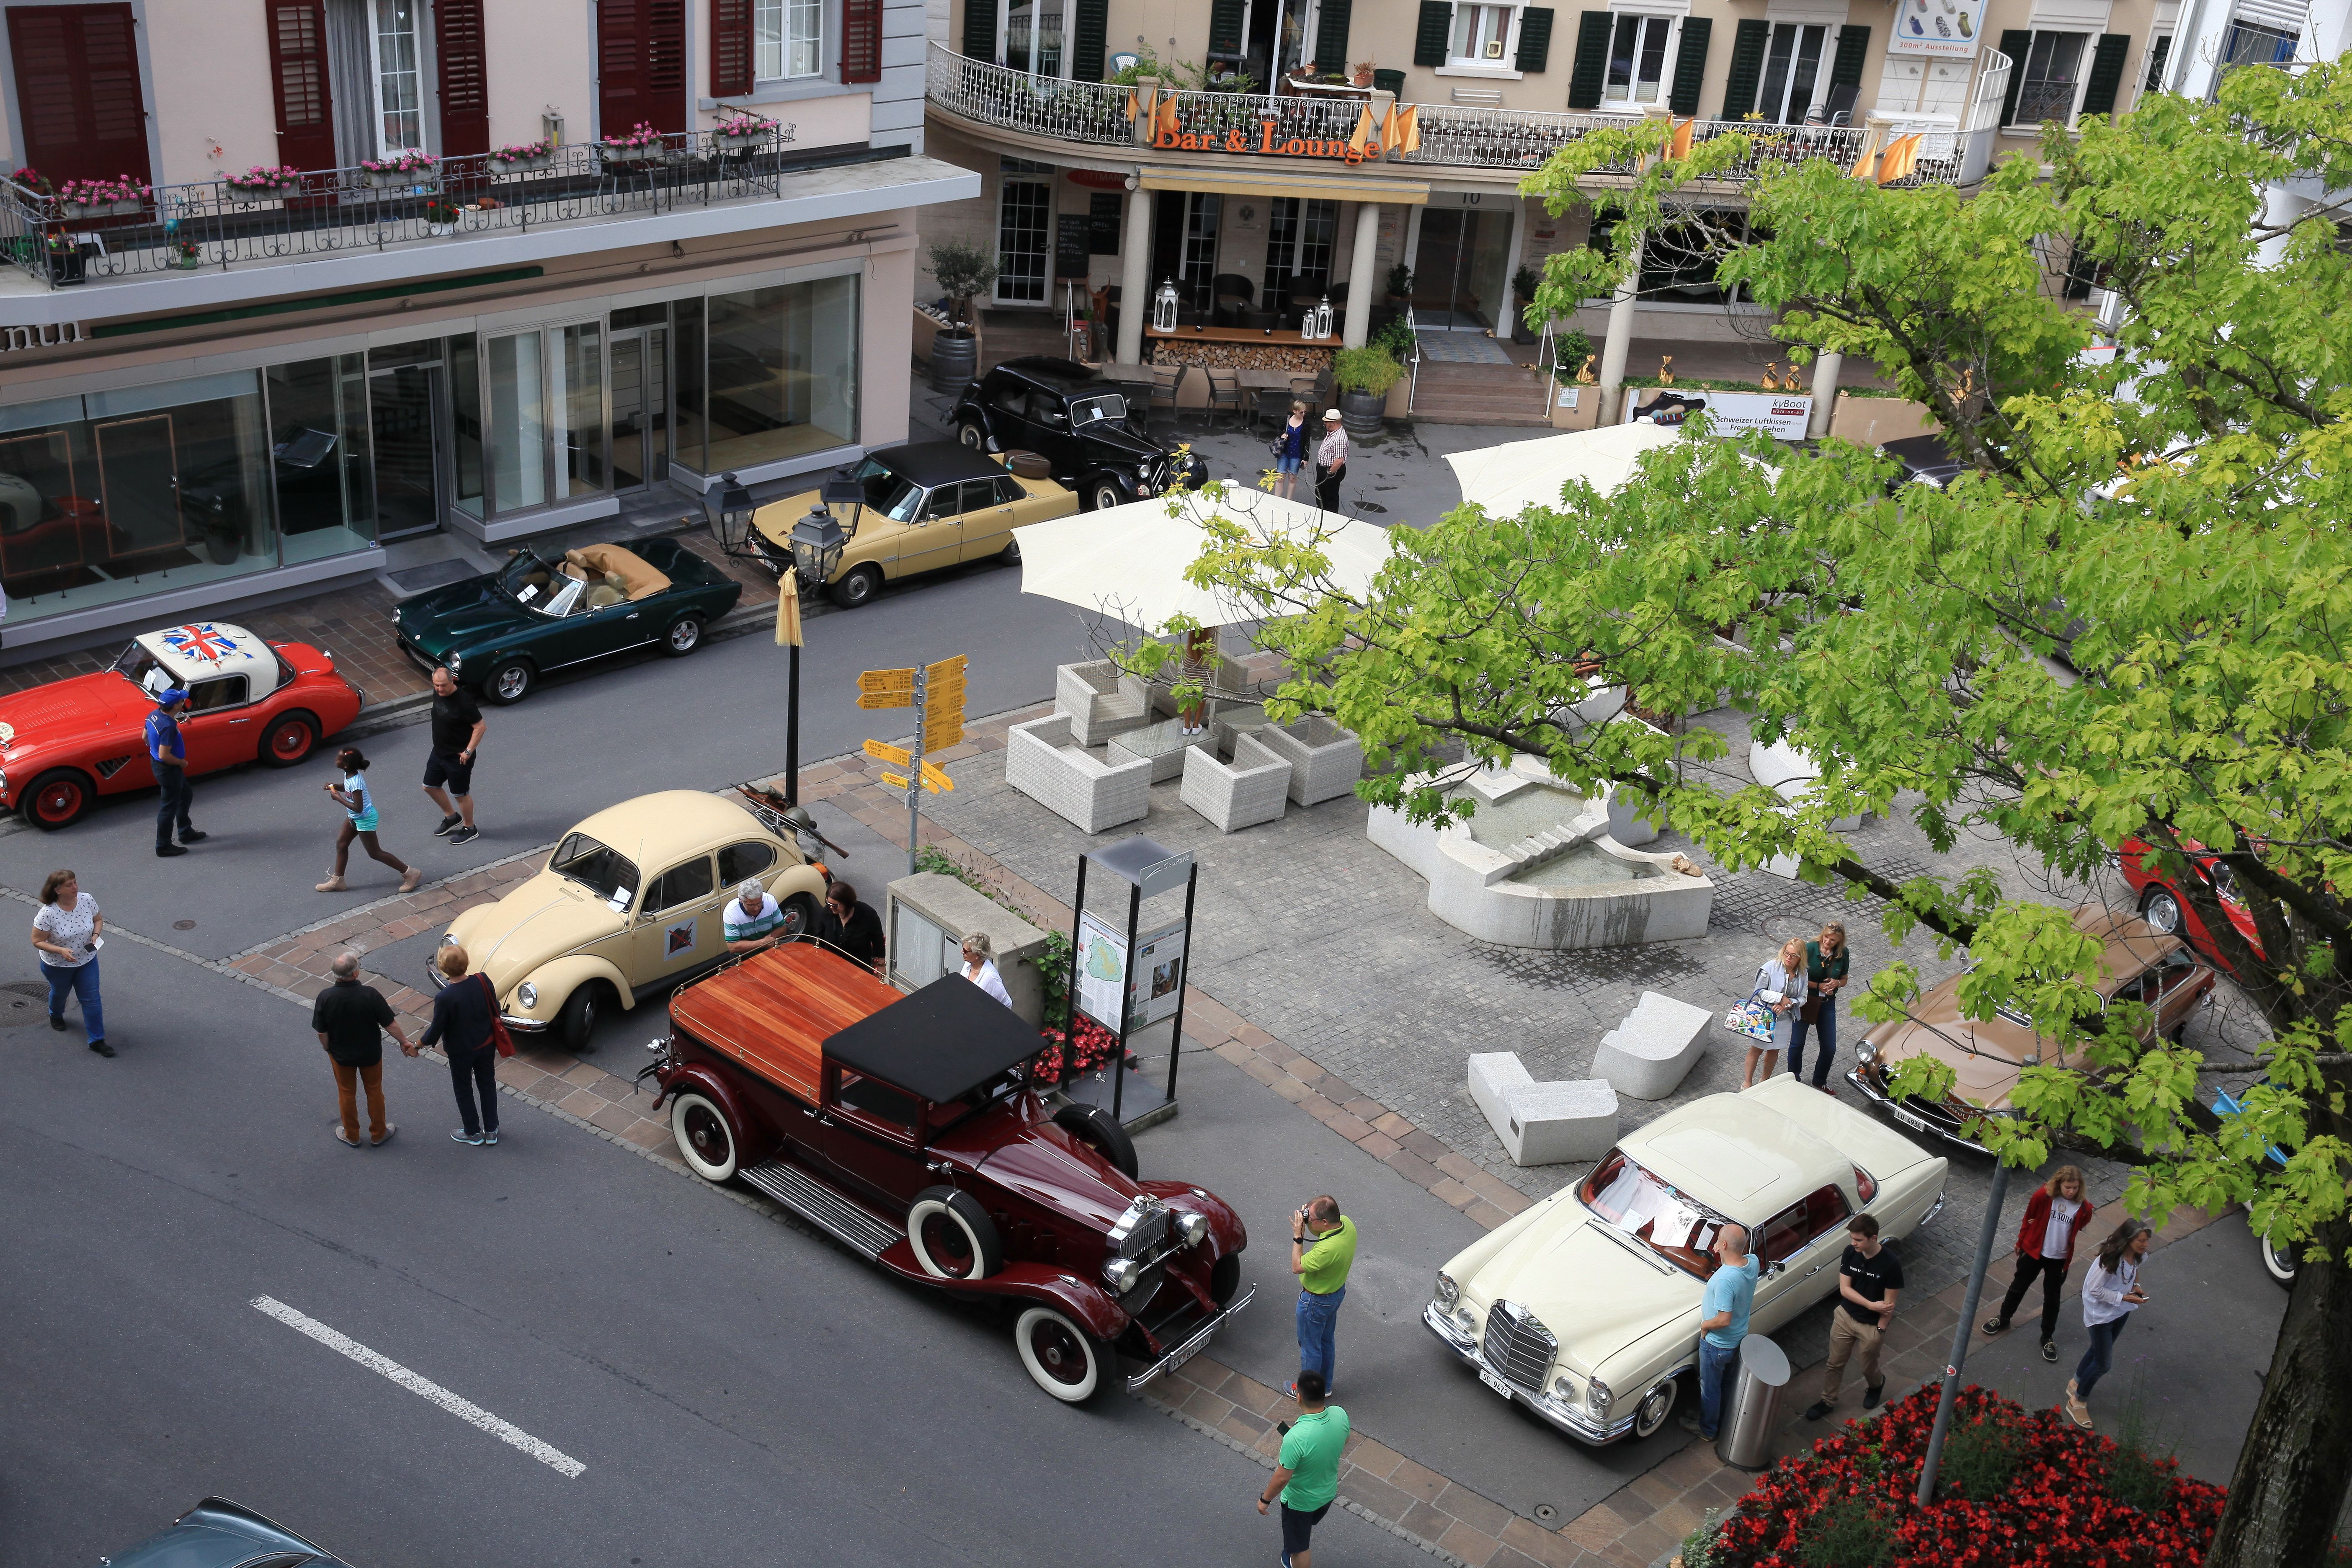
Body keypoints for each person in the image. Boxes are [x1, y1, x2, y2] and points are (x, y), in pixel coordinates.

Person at [1982, 1165, 2092, 1362]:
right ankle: (2004, 1318)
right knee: (2018, 1287)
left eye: (2075, 1188)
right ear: (2059, 1184)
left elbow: (2078, 1227)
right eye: (2068, 1187)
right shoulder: (2043, 1196)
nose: (2071, 1191)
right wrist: (2021, 1242)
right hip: (2034, 1251)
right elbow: (2028, 1219)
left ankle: (2047, 1337)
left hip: (2059, 1259)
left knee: (2052, 1299)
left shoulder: (2084, 1208)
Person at [1804, 1214, 1903, 1421]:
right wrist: (1869, 1304)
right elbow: (1845, 1290)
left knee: (1867, 1366)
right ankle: (1828, 1401)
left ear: (1873, 1238)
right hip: (1845, 1317)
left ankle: (1876, 1384)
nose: (1854, 1243)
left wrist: (1881, 1330)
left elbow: (1888, 1305)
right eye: (1852, 1238)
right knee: (1835, 1363)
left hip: (1871, 1326)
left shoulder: (1891, 1264)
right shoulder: (1850, 1253)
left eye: (1858, 1240)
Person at [312, 952, 417, 1147]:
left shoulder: (325, 997)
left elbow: (322, 1032)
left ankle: (351, 1135)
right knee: (374, 1091)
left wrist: (328, 1049)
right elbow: (390, 1024)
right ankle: (379, 1133)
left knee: (346, 1093)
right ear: (355, 974)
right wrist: (404, 1041)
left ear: (335, 975)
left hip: (341, 1055)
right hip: (370, 1054)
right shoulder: (370, 994)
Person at [2066, 1217, 2152, 1430]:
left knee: (2098, 1351)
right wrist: (2124, 1298)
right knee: (2103, 1364)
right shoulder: (2110, 1260)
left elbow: (2135, 1271)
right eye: (2141, 1241)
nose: (2145, 1245)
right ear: (2129, 1239)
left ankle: (2076, 1382)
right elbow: (2095, 1290)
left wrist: (2136, 1286)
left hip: (2120, 1312)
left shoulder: (2138, 1256)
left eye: (2146, 1241)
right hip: (2101, 1316)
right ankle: (2077, 1400)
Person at [1256, 1369, 1348, 1568]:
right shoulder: (1340, 1414)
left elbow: (1282, 1478)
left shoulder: (1296, 1437)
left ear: (1298, 1397)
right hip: (1327, 1494)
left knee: (1299, 1548)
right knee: (1304, 1530)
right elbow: (1342, 1440)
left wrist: (1265, 1500)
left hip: (1300, 1503)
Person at [1681, 1223, 1756, 1440]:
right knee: (1725, 1385)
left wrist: (1705, 1326)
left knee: (1710, 1388)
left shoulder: (1725, 1280)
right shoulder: (1752, 1263)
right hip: (1738, 1339)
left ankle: (1707, 1429)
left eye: (1717, 1242)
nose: (1715, 1246)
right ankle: (1716, 1418)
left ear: (1723, 1244)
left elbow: (1724, 1319)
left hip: (1717, 1344)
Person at [421, 944, 500, 1146]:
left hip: (461, 1051)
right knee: (487, 1085)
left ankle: (472, 1132)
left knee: (463, 1088)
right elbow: (496, 1008)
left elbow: (436, 1029)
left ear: (443, 968)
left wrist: (418, 1044)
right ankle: (491, 1130)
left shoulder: (445, 997)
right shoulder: (483, 981)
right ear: (467, 962)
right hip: (486, 1044)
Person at [317, 748, 423, 894]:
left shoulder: (356, 783)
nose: (336, 759)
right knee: (342, 844)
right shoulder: (349, 774)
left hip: (364, 819)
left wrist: (338, 798)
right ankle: (338, 881)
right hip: (355, 817)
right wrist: (336, 787)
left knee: (375, 853)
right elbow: (347, 788)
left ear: (346, 765)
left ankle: (410, 873)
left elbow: (358, 808)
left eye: (339, 758)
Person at [31, 868, 109, 1057]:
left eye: (75, 882)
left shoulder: (86, 899)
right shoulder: (48, 913)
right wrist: (61, 951)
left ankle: (97, 1040)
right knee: (60, 993)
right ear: (57, 890)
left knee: (91, 999)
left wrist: (96, 935)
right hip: (57, 965)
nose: (75, 887)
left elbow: (98, 919)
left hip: (87, 960)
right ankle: (55, 1014)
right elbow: (37, 941)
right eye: (69, 885)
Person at [1289, 1195, 1356, 1399]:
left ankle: (1308, 1393)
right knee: (1326, 1341)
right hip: (1335, 1294)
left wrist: (1299, 1236)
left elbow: (1297, 1267)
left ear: (1325, 1222)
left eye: (1311, 1219)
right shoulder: (1347, 1225)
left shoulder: (1326, 1250)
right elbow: (1322, 1227)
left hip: (1315, 1302)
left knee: (1311, 1349)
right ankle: (1325, 1386)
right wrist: (1312, 1216)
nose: (1308, 1221)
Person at [422, 666, 485, 846]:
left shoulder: (465, 702)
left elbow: (480, 727)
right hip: (439, 752)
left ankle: (470, 828)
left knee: (460, 794)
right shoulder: (438, 693)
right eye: (436, 686)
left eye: (443, 686)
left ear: (453, 681)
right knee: (430, 786)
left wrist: (468, 751)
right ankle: (452, 817)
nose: (440, 690)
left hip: (459, 757)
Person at [1786, 922, 1850, 1091]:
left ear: (1840, 941)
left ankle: (1819, 1081)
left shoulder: (1842, 954)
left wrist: (1837, 983)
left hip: (1827, 1003)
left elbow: (1844, 978)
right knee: (1797, 1043)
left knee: (1830, 1047)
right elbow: (1796, 977)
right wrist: (1817, 986)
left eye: (1833, 940)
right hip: (1807, 1001)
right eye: (1827, 937)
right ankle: (1794, 1078)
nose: (1828, 942)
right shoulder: (1809, 949)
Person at [1742, 935, 1810, 1090]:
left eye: (1793, 956)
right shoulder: (1770, 968)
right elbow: (1759, 991)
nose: (1789, 958)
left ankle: (1764, 1082)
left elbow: (1803, 998)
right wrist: (1781, 998)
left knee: (1774, 1051)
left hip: (1784, 1019)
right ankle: (1747, 1083)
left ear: (1801, 958)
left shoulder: (1803, 973)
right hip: (1765, 1016)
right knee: (1756, 1050)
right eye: (1787, 953)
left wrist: (1789, 1004)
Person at [145, 687, 204, 857]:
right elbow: (165, 755)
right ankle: (163, 846)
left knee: (185, 795)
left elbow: (144, 737)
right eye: (181, 701)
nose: (183, 702)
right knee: (168, 808)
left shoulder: (153, 715)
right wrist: (182, 762)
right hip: (169, 769)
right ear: (175, 707)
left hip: (160, 766)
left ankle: (186, 832)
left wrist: (155, 750)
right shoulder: (168, 726)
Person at [825, 881, 885, 974]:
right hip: (832, 968)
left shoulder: (868, 914)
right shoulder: (829, 912)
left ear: (847, 903)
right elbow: (819, 936)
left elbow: (878, 942)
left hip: (859, 971)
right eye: (829, 903)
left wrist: (881, 966)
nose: (831, 908)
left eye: (836, 905)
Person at [723, 878, 787, 953]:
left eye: (759, 903)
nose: (756, 908)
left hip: (770, 951)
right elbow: (733, 947)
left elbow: (782, 929)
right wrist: (763, 943)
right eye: (751, 905)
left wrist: (765, 941)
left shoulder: (770, 901)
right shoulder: (731, 913)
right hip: (744, 958)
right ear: (741, 900)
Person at [959, 931, 1013, 1007]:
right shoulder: (968, 963)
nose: (962, 952)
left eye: (965, 951)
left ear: (977, 955)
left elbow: (1008, 1003)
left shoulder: (991, 978)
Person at [1272, 400, 1311, 500]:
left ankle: (1289, 501)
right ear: (1295, 411)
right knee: (1280, 477)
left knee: (1293, 478)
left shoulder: (1306, 423)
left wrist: (1306, 457)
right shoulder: (1287, 419)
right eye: (1301, 412)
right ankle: (1277, 500)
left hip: (1297, 454)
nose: (1303, 414)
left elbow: (1307, 440)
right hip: (1284, 452)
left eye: (1304, 412)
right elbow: (1278, 429)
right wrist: (1282, 434)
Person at [1312, 409, 1348, 514]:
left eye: (1327, 421)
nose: (1324, 423)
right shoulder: (1332, 432)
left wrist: (1330, 473)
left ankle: (1331, 519)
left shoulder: (1340, 439)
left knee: (1330, 497)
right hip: (1324, 468)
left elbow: (1339, 460)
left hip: (1332, 471)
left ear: (1334, 423)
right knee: (1320, 494)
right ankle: (1322, 515)